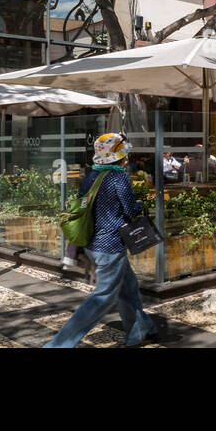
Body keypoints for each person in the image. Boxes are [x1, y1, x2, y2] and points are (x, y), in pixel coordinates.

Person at [45, 133, 160, 348]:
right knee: (102, 298)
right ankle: (58, 345)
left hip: (92, 243)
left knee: (128, 288)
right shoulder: (119, 178)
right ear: (119, 156)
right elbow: (129, 210)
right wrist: (139, 204)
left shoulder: (91, 176)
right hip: (111, 245)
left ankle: (141, 330)